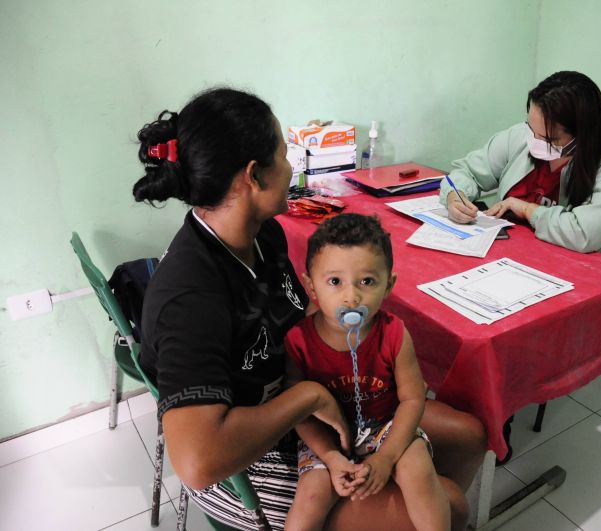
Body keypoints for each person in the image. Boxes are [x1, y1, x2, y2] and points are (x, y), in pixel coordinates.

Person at [133, 87, 485, 530]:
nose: (291, 167)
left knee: (468, 437)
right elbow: (200, 462)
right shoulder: (190, 297)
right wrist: (308, 397)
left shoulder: (265, 235)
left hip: (314, 406)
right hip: (245, 462)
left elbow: (304, 325)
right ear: (253, 177)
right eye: (284, 156)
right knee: (449, 505)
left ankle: (402, 505)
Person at [284, 214, 449, 531]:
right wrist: (330, 458)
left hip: (385, 428)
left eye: (367, 282)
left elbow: (413, 400)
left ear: (389, 285)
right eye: (335, 282)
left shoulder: (395, 334)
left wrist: (386, 458)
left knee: (418, 470)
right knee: (310, 497)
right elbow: (300, 413)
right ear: (311, 286)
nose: (351, 297)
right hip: (328, 439)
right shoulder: (298, 342)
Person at [441, 71, 601, 255]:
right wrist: (454, 197)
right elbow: (466, 171)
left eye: (549, 138)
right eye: (532, 129)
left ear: (581, 135)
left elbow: (583, 233)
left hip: (573, 266)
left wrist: (527, 209)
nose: (535, 141)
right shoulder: (519, 137)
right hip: (510, 255)